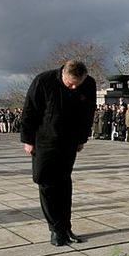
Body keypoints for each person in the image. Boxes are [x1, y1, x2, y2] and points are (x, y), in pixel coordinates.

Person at [20, 60, 96, 246]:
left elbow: (88, 113)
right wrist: (28, 140)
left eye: (77, 85)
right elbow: (30, 110)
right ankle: (55, 227)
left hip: (69, 141)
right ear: (63, 73)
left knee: (63, 183)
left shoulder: (88, 84)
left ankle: (64, 228)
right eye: (70, 84)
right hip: (44, 140)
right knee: (45, 181)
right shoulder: (43, 80)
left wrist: (81, 139)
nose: (73, 88)